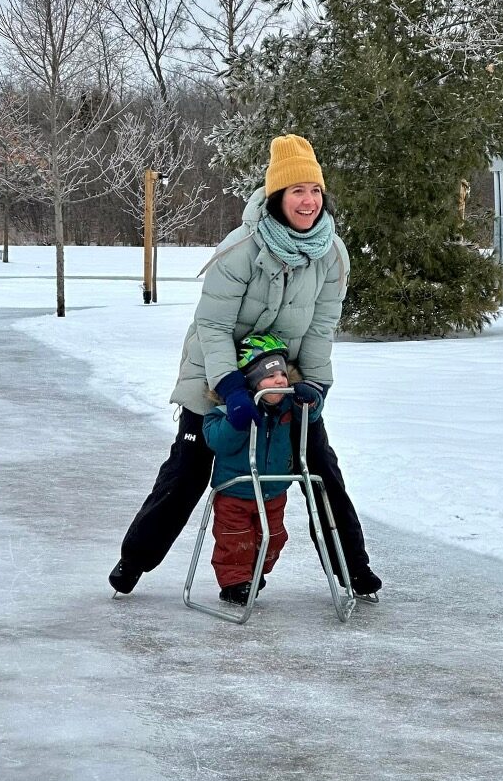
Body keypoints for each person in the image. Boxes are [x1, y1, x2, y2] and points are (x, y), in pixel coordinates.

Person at [110, 133, 382, 598]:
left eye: (315, 191)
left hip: (280, 380)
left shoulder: (332, 253)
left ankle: (354, 570)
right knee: (188, 471)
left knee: (318, 463)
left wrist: (314, 385)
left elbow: (321, 328)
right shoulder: (241, 249)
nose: (309, 201)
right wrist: (231, 387)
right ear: (277, 196)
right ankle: (134, 561)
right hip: (215, 376)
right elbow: (212, 325)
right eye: (298, 190)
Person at [203, 334, 324, 605]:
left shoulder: (287, 408)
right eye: (270, 377)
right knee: (235, 543)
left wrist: (311, 401)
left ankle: (255, 574)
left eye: (283, 374)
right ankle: (235, 584)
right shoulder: (225, 411)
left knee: (274, 539)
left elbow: (312, 416)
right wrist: (238, 419)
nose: (280, 380)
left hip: (273, 492)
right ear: (251, 381)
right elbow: (217, 441)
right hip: (235, 492)